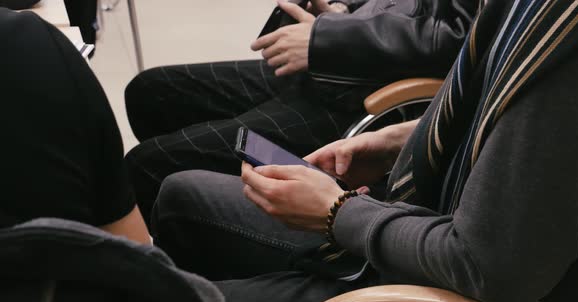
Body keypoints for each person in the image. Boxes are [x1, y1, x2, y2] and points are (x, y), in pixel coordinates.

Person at [152, 0, 578, 302]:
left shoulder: (566, 47)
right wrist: (400, 141)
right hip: (426, 219)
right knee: (178, 194)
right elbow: (492, 109)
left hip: (458, 292)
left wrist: (339, 213)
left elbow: (489, 269)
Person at [124, 0, 478, 220]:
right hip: (341, 60)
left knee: (150, 166)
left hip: (364, 93)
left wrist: (327, 38)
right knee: (151, 92)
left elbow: (462, 38)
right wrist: (341, 12)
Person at [0, 9, 150, 245]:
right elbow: (135, 251)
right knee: (153, 171)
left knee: (148, 159)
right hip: (56, 274)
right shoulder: (28, 43)